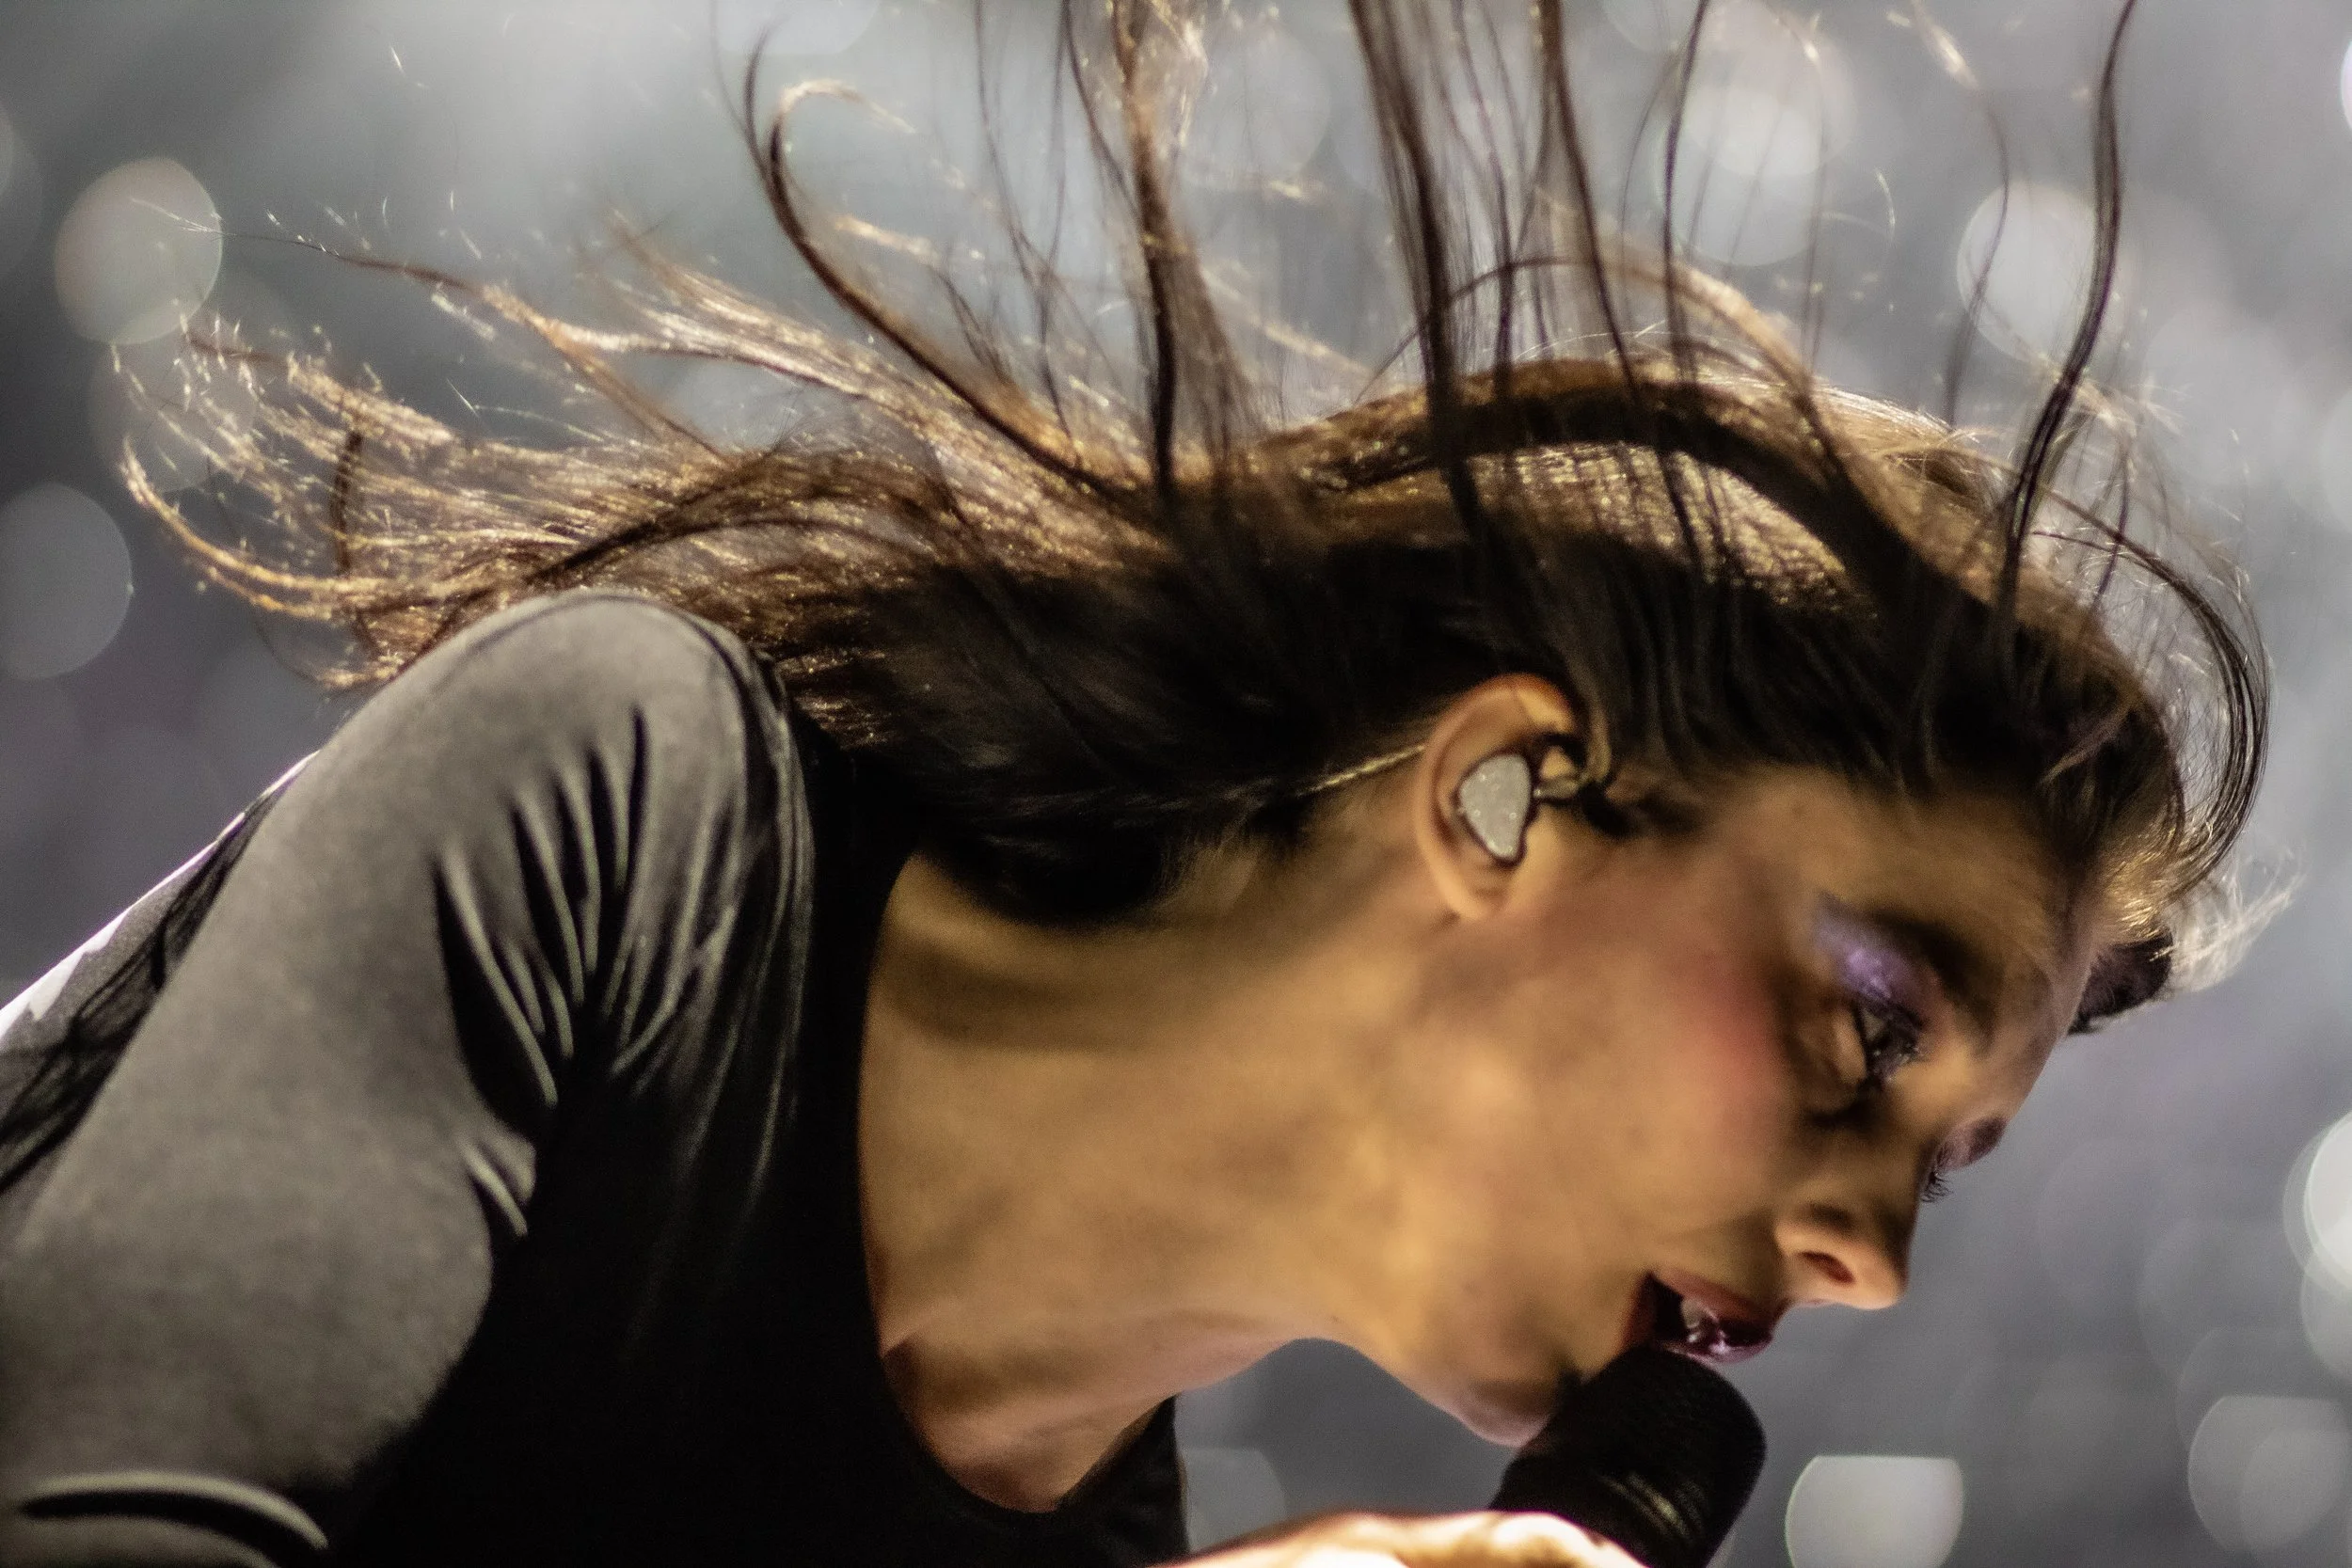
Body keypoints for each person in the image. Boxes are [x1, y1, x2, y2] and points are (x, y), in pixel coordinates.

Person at [0, 1, 2265, 1565]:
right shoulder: (625, 817)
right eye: (1870, 1025)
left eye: (1943, 1170)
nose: (1865, 1257)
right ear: (1503, 782)